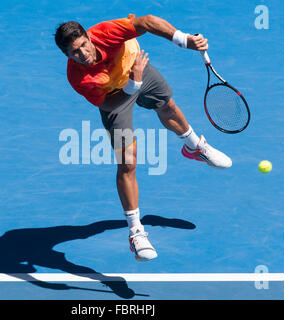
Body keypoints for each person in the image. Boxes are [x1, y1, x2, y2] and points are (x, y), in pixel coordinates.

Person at [54, 14, 232, 262]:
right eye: (74, 52)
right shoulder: (79, 78)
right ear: (67, 55)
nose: (83, 53)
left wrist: (183, 40)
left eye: (84, 44)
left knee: (168, 106)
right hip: (115, 95)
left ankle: (194, 148)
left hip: (134, 66)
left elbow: (146, 22)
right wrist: (132, 85)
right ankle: (136, 233)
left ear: (88, 37)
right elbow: (107, 105)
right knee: (127, 163)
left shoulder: (107, 32)